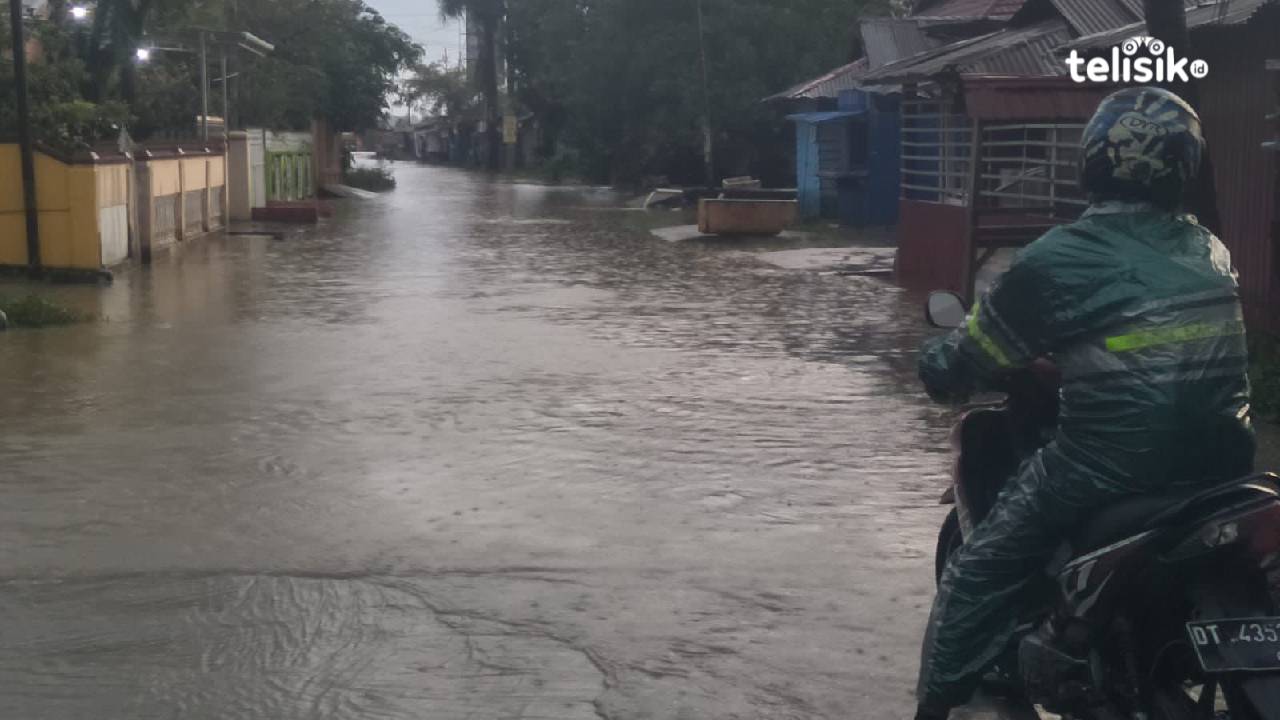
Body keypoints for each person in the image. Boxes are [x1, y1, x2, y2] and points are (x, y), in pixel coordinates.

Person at [913, 86, 1256, 719]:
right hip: (1226, 467)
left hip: (1108, 469)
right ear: (1184, 166)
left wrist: (933, 364)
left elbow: (965, 360)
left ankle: (936, 709)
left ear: (1093, 161)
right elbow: (1149, 349)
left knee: (977, 573)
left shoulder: (1058, 257)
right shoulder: (1209, 250)